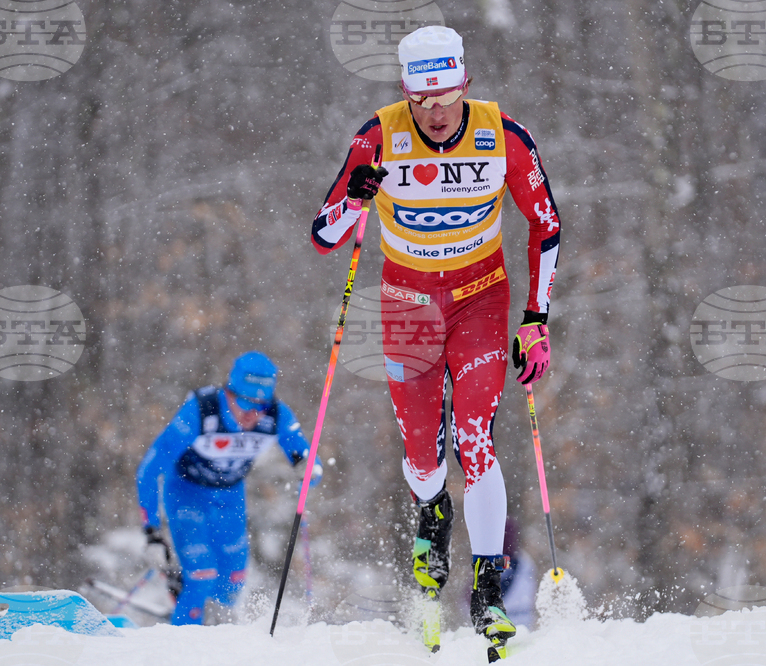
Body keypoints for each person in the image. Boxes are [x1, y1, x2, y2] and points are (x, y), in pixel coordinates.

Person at [311, 25, 560, 654]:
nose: (437, 112)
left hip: (481, 297)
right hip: (409, 303)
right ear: (406, 94)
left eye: (448, 97)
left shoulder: (503, 135)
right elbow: (323, 236)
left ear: (465, 85)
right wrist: (353, 202)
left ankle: (487, 588)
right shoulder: (377, 137)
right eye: (422, 100)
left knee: (475, 437)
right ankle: (432, 510)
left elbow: (546, 224)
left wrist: (536, 318)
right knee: (424, 454)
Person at [135, 351, 321, 625]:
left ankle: (213, 630)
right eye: (244, 404)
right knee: (202, 573)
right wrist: (152, 533)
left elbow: (306, 457)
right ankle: (183, 633)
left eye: (260, 406)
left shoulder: (276, 415)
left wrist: (308, 468)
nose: (252, 414)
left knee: (233, 578)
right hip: (187, 492)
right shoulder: (201, 410)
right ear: (229, 392)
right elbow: (149, 470)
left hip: (230, 496)